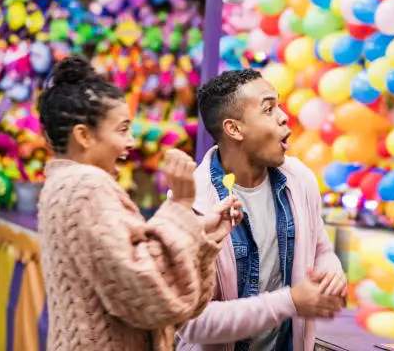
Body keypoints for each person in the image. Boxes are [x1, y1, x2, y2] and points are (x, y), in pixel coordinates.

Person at [36, 55, 242, 351]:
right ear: (83, 136)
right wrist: (181, 204)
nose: (131, 142)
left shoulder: (63, 186)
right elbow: (148, 292)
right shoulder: (84, 187)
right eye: (121, 130)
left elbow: (133, 267)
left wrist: (201, 229)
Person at [176, 69, 346, 351]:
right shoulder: (190, 203)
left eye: (278, 105)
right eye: (268, 109)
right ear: (234, 129)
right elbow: (193, 322)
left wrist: (331, 273)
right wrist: (290, 301)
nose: (283, 116)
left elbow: (320, 249)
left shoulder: (299, 179)